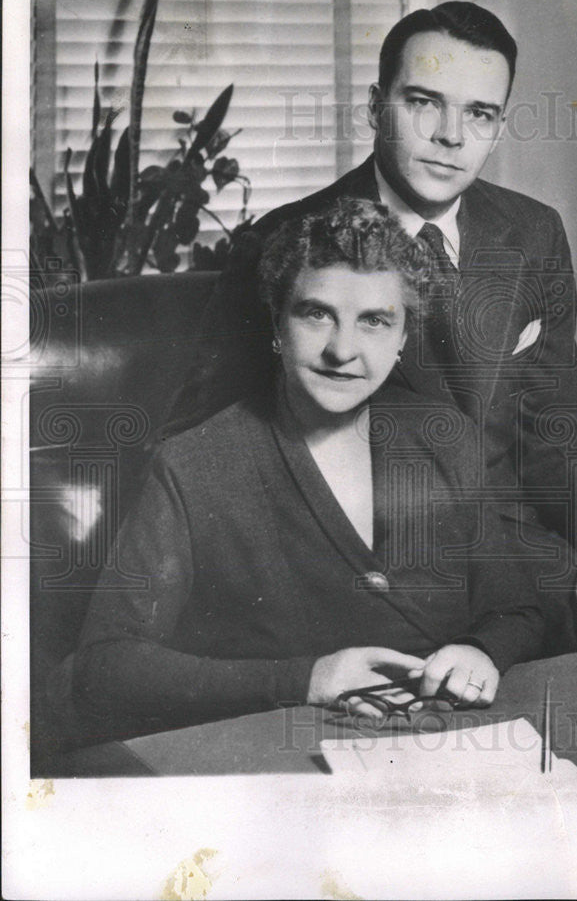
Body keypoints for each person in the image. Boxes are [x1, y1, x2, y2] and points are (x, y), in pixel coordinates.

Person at [169, 0, 577, 653]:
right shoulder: (285, 240)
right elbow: (204, 435)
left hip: (508, 550)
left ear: (497, 126)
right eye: (425, 102)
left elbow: (557, 419)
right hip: (359, 565)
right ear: (377, 107)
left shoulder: (532, 233)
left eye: (479, 113)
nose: (451, 136)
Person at [69, 200, 546, 739]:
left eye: (374, 321)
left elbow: (517, 608)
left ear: (404, 338)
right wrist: (306, 678)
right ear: (277, 324)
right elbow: (103, 667)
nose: (343, 350)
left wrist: (480, 651)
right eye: (316, 313)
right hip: (278, 751)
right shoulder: (194, 465)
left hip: (451, 742)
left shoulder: (446, 435)